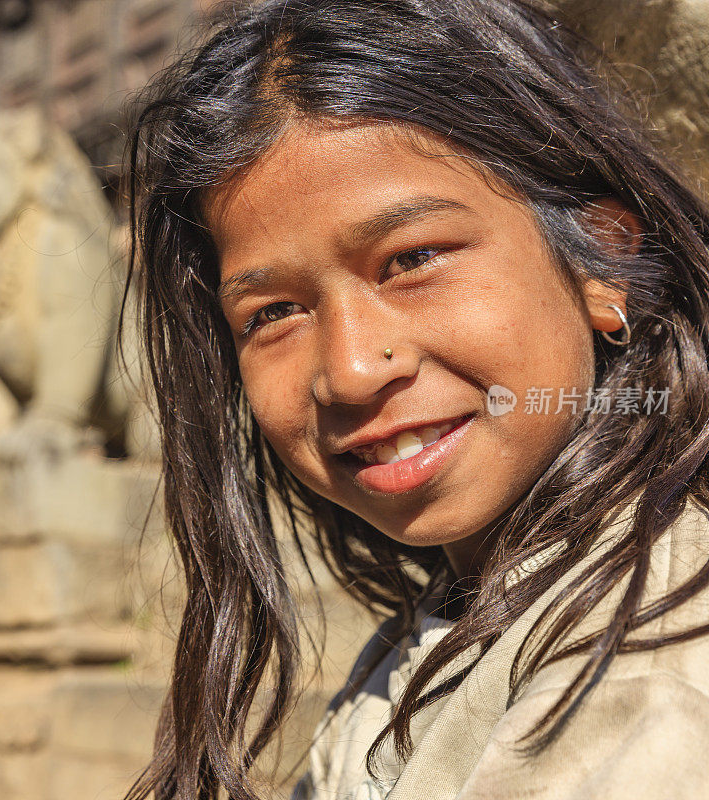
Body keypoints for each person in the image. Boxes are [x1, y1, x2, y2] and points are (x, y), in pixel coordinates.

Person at [120, 1, 709, 798]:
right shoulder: (441, 632)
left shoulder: (651, 678)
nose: (354, 369)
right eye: (273, 314)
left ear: (602, 259)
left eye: (413, 258)